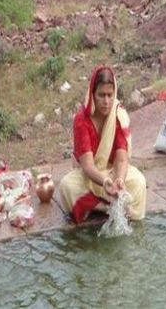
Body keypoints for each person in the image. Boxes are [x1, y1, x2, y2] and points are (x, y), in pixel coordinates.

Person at [57, 66, 147, 223]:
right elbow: (88, 166)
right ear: (93, 94)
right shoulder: (82, 119)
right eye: (101, 95)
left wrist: (119, 179)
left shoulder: (118, 114)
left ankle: (107, 204)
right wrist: (105, 182)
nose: (106, 101)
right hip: (90, 176)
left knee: (139, 182)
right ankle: (108, 208)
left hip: (112, 171)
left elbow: (121, 159)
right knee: (67, 187)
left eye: (110, 95)